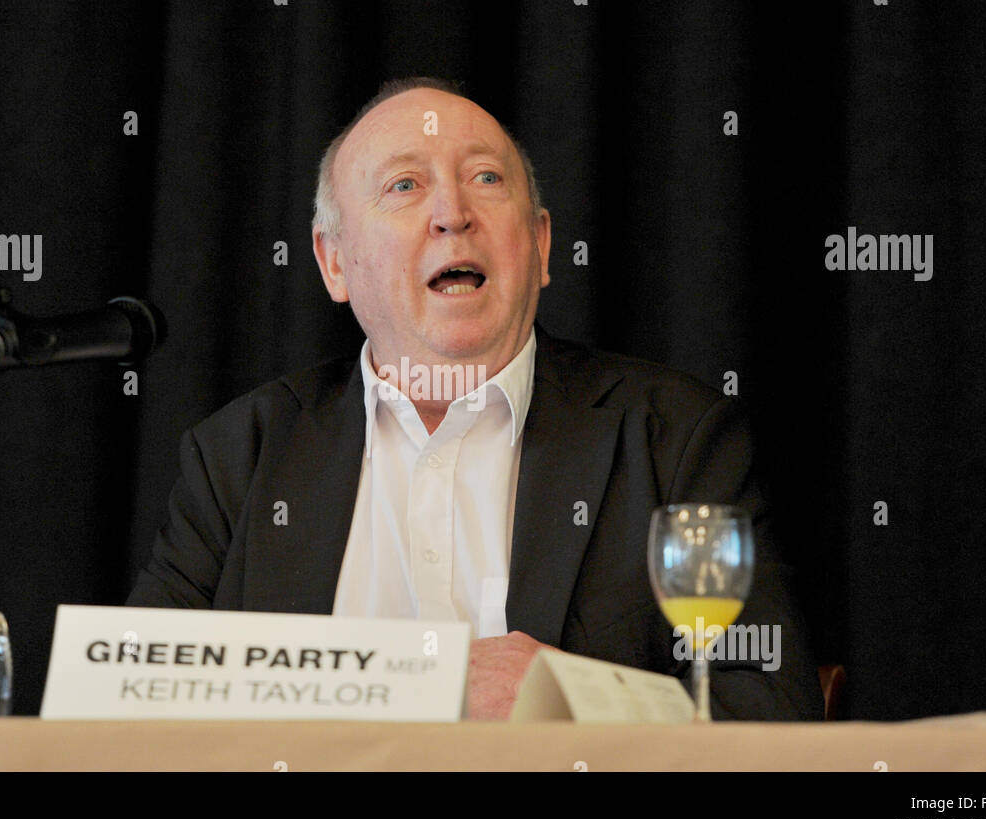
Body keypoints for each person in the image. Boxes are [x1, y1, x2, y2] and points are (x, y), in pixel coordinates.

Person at [128, 77, 823, 721]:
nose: (451, 214)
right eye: (404, 185)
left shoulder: (675, 438)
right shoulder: (238, 458)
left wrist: (570, 700)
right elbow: (131, 709)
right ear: (334, 261)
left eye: (486, 179)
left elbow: (768, 709)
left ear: (543, 245)